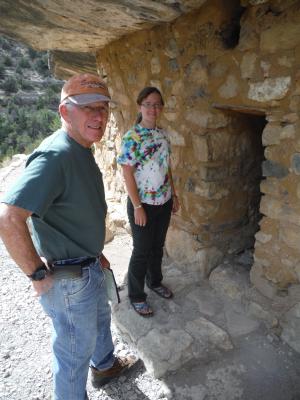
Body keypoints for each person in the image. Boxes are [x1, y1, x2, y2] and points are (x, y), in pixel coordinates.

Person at [0, 73, 135, 400]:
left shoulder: (80, 147)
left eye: (102, 108)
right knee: (73, 353)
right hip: (70, 277)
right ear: (64, 112)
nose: (98, 116)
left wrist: (95, 250)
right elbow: (9, 217)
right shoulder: (56, 155)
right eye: (87, 108)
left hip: (87, 264)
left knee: (102, 320)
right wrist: (36, 275)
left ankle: (105, 366)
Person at [117, 86, 180, 317]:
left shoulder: (162, 135)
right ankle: (136, 295)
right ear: (139, 106)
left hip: (163, 202)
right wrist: (137, 207)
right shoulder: (132, 137)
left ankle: (155, 282)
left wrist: (173, 194)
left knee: (157, 247)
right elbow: (127, 174)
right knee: (141, 250)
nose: (153, 109)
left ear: (161, 108)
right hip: (142, 204)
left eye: (157, 104)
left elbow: (166, 167)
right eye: (148, 104)